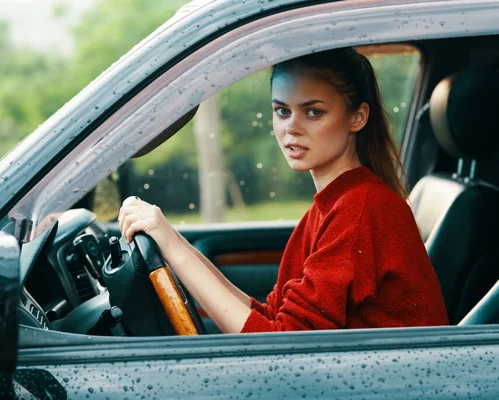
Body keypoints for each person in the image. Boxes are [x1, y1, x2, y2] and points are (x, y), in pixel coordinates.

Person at [118, 47, 449, 334]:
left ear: (357, 117)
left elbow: (281, 342)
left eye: (313, 112)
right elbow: (271, 317)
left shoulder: (362, 210)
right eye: (282, 111)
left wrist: (174, 250)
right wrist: (172, 242)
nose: (291, 127)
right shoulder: (332, 207)